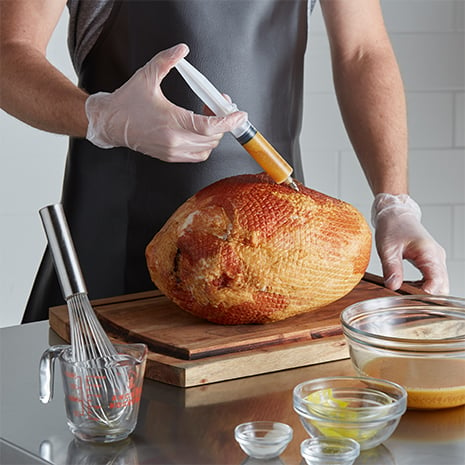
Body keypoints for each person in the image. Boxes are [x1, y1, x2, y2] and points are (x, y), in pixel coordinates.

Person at [1, 0, 449, 323]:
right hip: (110, 260)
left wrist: (395, 204)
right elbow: (8, 53)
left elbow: (362, 51)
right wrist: (104, 118)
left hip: (277, 264)